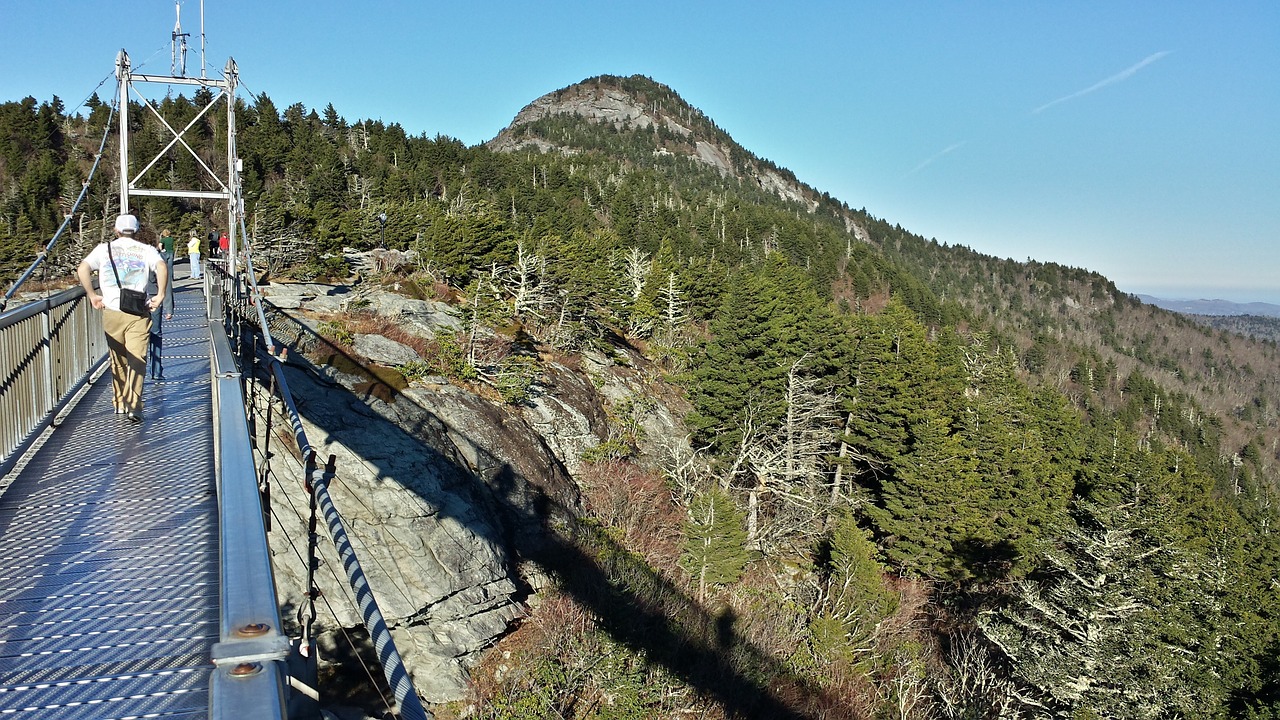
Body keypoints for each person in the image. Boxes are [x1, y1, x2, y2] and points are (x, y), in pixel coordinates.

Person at [76, 214, 168, 423]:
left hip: (112, 311)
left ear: (116, 231)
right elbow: (161, 267)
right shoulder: (147, 250)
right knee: (138, 359)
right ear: (135, 231)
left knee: (118, 359)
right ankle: (134, 406)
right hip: (138, 311)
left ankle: (119, 401)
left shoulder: (103, 249)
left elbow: (82, 269)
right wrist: (160, 294)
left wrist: (92, 295)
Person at [157, 228, 175, 320]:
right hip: (171, 252)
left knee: (163, 267)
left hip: (165, 253)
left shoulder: (163, 239)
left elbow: (160, 245)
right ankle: (171, 277)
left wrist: (162, 250)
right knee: (170, 267)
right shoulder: (171, 239)